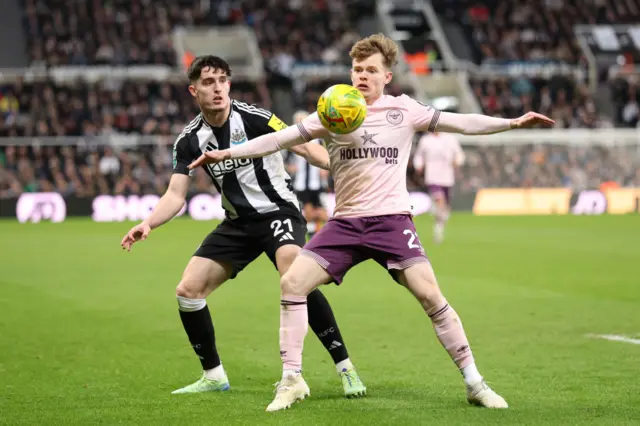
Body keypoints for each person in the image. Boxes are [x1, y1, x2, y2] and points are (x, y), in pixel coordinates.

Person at [188, 34, 554, 412]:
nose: (362, 76)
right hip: (345, 224)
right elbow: (277, 140)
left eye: (371, 70)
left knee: (431, 295)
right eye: (357, 69)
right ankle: (292, 379)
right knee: (293, 282)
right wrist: (228, 153)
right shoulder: (332, 110)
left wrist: (511, 123)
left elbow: (460, 123)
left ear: (387, 77)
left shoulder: (404, 110)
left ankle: (475, 383)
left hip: (391, 221)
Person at [120, 55, 366, 397]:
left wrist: (344, 170)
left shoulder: (256, 117)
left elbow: (307, 148)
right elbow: (175, 195)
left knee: (295, 277)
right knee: (188, 292)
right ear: (194, 90)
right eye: (209, 82)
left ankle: (346, 368)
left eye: (223, 80)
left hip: (279, 212)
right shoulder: (189, 140)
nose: (218, 87)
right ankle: (214, 375)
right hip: (238, 224)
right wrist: (148, 223)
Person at [412, 131, 465, 243]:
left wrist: (457, 161)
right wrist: (419, 165)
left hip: (447, 177)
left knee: (445, 207)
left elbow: (459, 154)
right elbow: (419, 155)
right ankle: (437, 229)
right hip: (432, 176)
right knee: (439, 200)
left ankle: (439, 224)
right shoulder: (425, 140)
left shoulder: (450, 138)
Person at [286, 110, 329, 237]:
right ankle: (312, 234)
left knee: (322, 212)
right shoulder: (291, 141)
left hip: (317, 183)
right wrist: (290, 167)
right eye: (297, 121)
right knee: (308, 211)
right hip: (300, 183)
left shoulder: (318, 140)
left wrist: (325, 169)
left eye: (302, 121)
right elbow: (286, 161)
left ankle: (318, 231)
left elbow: (326, 156)